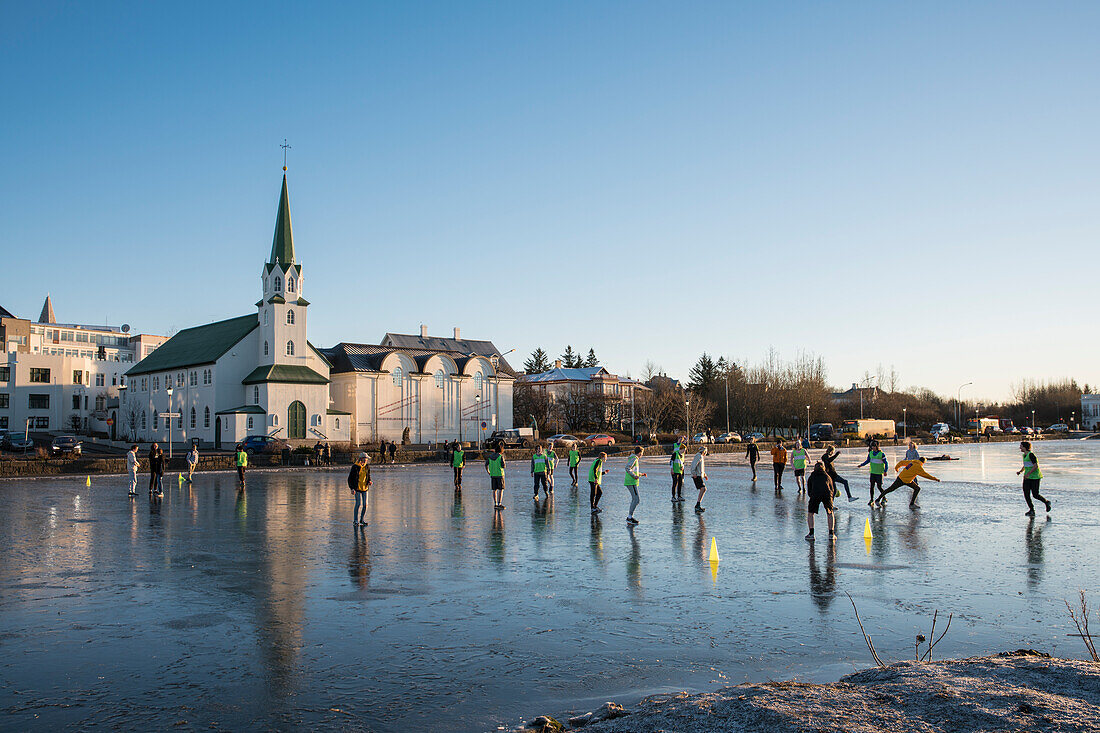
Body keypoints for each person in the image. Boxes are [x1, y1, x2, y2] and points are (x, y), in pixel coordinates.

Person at [1017, 441, 1051, 516]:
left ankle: (1046, 502)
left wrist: (1028, 473)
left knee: (1035, 495)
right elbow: (1026, 465)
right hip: (1027, 478)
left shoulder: (1031, 455)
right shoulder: (1024, 455)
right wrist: (1020, 471)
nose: (1020, 447)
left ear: (1025, 447)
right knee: (1026, 494)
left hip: (1035, 477)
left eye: (1021, 446)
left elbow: (1035, 466)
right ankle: (1031, 510)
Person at [805, 461, 837, 542]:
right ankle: (831, 534)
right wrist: (831, 499)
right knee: (830, 512)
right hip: (827, 494)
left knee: (810, 513)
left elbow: (809, 489)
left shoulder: (812, 476)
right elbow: (832, 489)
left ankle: (811, 534)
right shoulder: (827, 476)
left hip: (815, 494)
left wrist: (812, 496)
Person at [858, 440, 889, 505]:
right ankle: (871, 499)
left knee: (879, 486)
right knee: (872, 486)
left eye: (874, 446)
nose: (873, 447)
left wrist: (885, 471)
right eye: (872, 446)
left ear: (877, 446)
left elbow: (886, 463)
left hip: (879, 473)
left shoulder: (881, 454)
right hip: (873, 472)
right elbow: (867, 461)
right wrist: (861, 465)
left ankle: (884, 498)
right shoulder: (870, 453)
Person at [347, 452, 371, 525]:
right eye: (366, 459)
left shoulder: (367, 467)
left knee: (365, 505)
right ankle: (355, 520)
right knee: (358, 504)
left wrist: (369, 481)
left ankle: (362, 520)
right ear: (362, 459)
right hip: (357, 488)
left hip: (365, 488)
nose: (367, 460)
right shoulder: (355, 467)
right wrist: (352, 488)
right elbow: (350, 479)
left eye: (367, 459)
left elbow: (368, 475)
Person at [625, 446, 647, 524]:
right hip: (631, 482)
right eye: (642, 453)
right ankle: (629, 517)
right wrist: (634, 476)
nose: (642, 455)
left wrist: (641, 474)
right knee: (636, 499)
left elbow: (634, 471)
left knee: (635, 499)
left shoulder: (634, 459)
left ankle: (630, 517)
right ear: (640, 453)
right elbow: (627, 468)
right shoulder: (634, 458)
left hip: (632, 481)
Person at [485, 444, 506, 510]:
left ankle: (495, 503)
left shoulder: (490, 456)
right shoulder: (500, 456)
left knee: (494, 490)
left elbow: (486, 465)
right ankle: (499, 503)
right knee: (501, 489)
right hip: (500, 475)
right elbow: (503, 466)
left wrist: (488, 471)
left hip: (493, 475)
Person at [690, 445, 708, 513]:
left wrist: (704, 475)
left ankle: (698, 504)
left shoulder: (701, 457)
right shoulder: (698, 456)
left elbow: (701, 468)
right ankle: (697, 505)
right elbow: (693, 465)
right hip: (697, 476)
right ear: (704, 451)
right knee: (703, 488)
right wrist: (693, 473)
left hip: (699, 475)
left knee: (703, 489)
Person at [670, 438, 686, 502]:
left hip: (680, 471)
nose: (684, 451)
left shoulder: (682, 456)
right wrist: (672, 469)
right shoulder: (675, 454)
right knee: (675, 484)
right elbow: (671, 462)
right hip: (675, 471)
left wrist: (683, 467)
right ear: (681, 449)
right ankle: (673, 497)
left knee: (680, 484)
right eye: (684, 450)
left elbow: (682, 463)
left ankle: (679, 496)